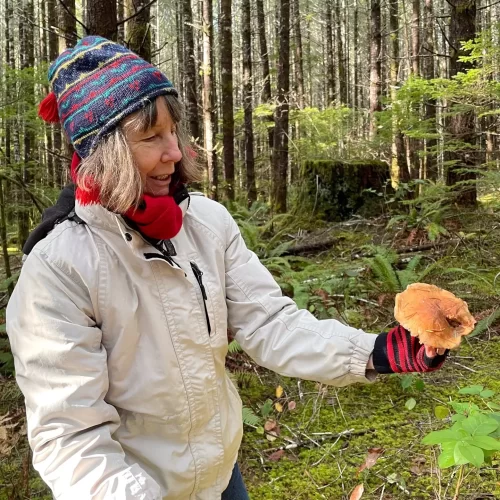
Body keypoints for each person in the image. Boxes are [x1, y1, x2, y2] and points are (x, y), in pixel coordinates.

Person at [6, 36, 447, 500]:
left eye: (173, 131)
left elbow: (269, 322)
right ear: (104, 151)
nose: (174, 152)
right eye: (151, 137)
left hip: (221, 475)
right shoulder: (58, 269)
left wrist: (378, 351)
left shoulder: (204, 222)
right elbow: (71, 436)